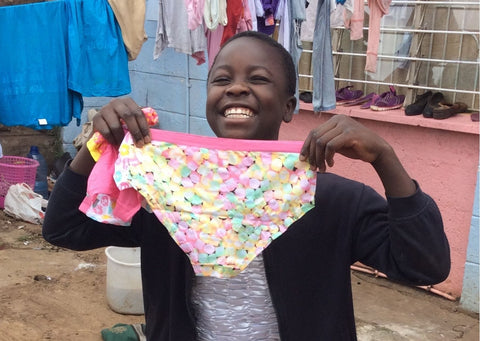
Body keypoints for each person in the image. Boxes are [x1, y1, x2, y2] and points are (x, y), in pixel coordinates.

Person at [43, 31, 450, 340]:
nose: (236, 87)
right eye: (221, 79)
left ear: (289, 106)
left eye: (258, 79)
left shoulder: (332, 201)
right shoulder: (167, 193)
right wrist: (98, 148)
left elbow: (423, 265)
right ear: (208, 99)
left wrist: (385, 158)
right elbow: (64, 228)